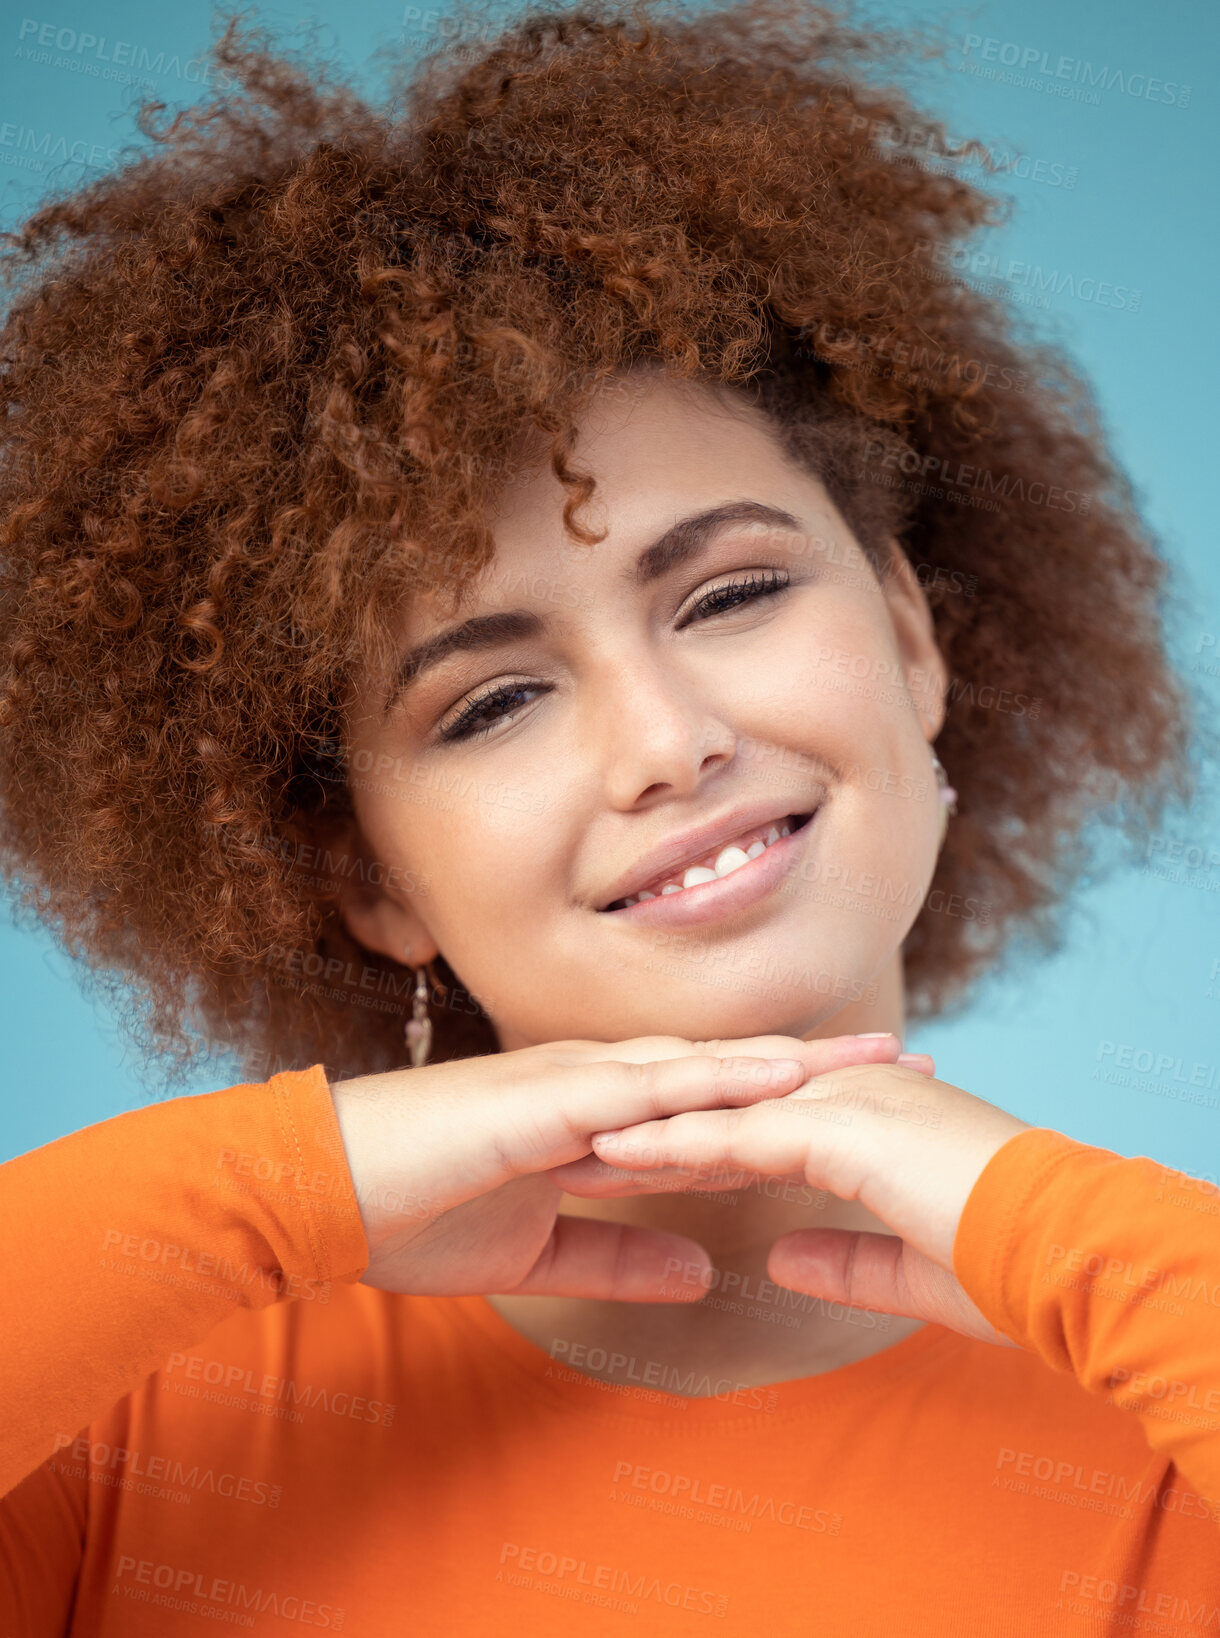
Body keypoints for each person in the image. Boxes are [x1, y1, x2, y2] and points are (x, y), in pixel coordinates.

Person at [0, 0, 1215, 1631]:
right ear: (370, 878)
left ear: (913, 638)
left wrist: (1063, 1233)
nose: (667, 741)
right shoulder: (137, 1424)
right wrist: (269, 1191)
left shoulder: (1157, 1407)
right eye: (492, 701)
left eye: (730, 591)